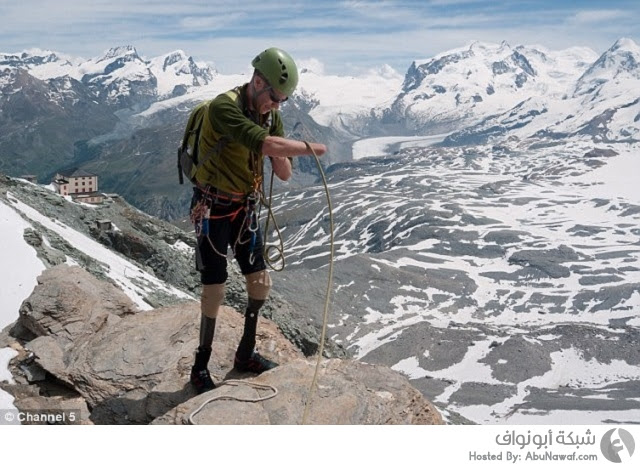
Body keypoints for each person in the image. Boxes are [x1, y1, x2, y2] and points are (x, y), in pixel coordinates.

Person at [189, 47, 327, 394]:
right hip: (213, 206)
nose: (277, 106)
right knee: (214, 287)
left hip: (243, 206)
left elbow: (282, 172)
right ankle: (200, 365)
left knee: (260, 282)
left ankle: (245, 353)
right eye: (274, 98)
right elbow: (263, 144)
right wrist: (309, 148)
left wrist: (285, 152)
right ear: (258, 81)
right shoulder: (224, 107)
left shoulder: (269, 115)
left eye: (282, 101)